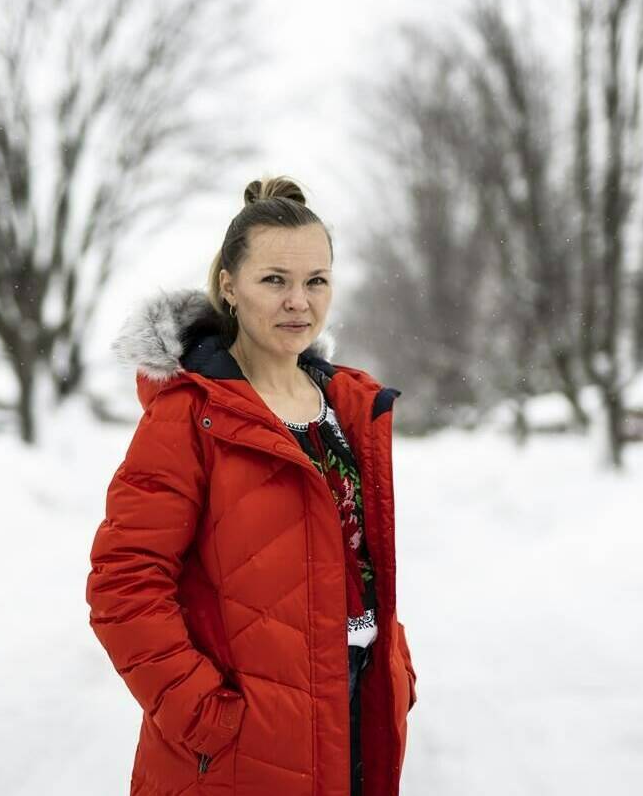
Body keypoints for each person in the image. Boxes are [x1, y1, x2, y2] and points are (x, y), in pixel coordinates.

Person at [86, 175, 417, 796]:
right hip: (240, 741)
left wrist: (392, 662)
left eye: (316, 281)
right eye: (275, 281)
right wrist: (204, 715)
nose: (299, 301)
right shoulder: (190, 413)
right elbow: (123, 582)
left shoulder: (344, 405)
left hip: (352, 707)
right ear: (229, 287)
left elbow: (355, 555)